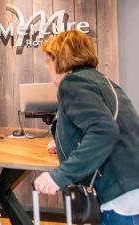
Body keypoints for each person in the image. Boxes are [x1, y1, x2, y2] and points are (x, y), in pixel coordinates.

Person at [33, 30, 139, 225]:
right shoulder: (104, 82)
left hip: (117, 195)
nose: (47, 67)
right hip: (130, 188)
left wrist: (59, 176)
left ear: (61, 59)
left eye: (48, 60)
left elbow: (104, 130)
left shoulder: (73, 83)